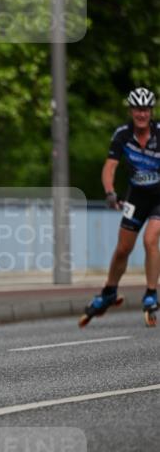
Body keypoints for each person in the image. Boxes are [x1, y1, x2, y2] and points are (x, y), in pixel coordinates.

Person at [81, 87, 160, 327]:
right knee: (123, 248)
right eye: (137, 109)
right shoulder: (122, 135)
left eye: (146, 110)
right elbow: (110, 167)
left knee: (150, 240)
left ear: (151, 111)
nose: (142, 114)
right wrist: (109, 192)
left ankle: (150, 293)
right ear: (131, 110)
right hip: (136, 197)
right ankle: (109, 291)